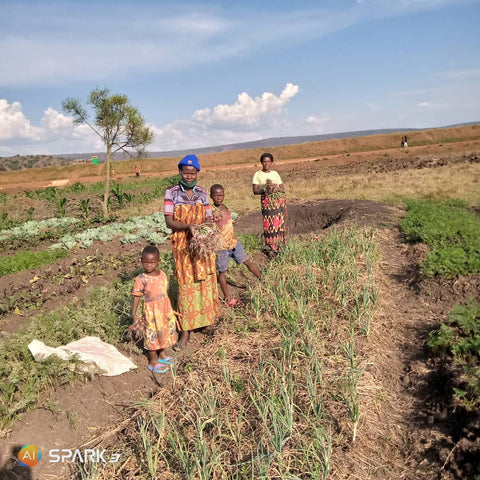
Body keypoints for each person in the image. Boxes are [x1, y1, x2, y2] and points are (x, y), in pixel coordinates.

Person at [164, 154, 219, 350]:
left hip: (201, 245)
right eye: (185, 172)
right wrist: (188, 227)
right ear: (180, 172)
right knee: (186, 284)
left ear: (197, 173)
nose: (189, 176)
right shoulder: (171, 193)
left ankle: (205, 323)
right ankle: (185, 331)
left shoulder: (203, 193)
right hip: (182, 246)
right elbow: (169, 221)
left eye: (192, 172)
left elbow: (208, 217)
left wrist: (205, 230)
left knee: (204, 281)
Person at [210, 184, 261, 307]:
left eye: (221, 195)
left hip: (233, 242)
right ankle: (227, 297)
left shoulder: (225, 207)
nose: (219, 197)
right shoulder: (211, 210)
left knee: (247, 261)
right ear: (211, 196)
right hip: (221, 247)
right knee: (222, 271)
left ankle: (262, 279)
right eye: (216, 195)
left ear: (224, 195)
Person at [131, 245, 178, 373]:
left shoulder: (162, 274)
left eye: (152, 262)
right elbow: (136, 296)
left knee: (163, 332)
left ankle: (162, 354)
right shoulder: (141, 279)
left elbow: (164, 292)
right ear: (141, 261)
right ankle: (152, 360)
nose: (149, 265)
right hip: (151, 312)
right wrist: (134, 313)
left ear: (158, 262)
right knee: (152, 335)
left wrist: (168, 308)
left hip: (164, 310)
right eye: (145, 262)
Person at [252, 152, 287, 256]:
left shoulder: (275, 174)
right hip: (267, 204)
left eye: (268, 161)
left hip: (277, 203)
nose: (266, 163)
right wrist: (265, 188)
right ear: (261, 162)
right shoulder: (258, 174)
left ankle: (280, 245)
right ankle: (271, 247)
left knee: (279, 224)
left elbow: (282, 188)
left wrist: (275, 188)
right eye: (264, 161)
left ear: (271, 162)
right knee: (269, 225)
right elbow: (255, 191)